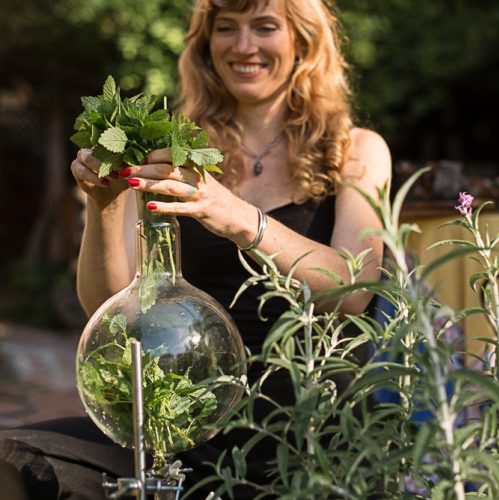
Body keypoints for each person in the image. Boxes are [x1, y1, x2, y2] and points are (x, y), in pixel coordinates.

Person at [0, 0, 391, 498]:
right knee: (14, 463)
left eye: (265, 26)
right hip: (181, 422)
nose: (243, 45)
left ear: (303, 41)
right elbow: (110, 308)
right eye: (226, 28)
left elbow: (353, 289)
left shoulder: (355, 149)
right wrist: (103, 207)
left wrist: (233, 214)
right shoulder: (173, 144)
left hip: (308, 426)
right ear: (207, 46)